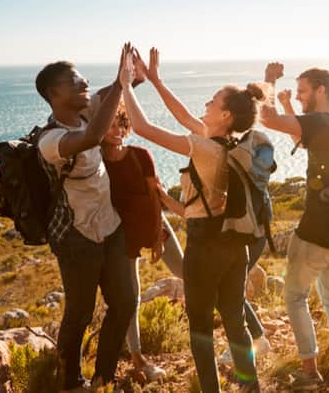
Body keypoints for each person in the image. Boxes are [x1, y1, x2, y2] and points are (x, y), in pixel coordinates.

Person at [119, 47, 265, 393]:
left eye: (213, 102)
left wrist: (126, 84)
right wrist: (155, 80)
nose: (206, 105)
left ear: (225, 114)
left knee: (200, 327)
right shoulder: (229, 146)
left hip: (205, 248)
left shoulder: (203, 148)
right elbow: (185, 117)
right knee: (235, 320)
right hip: (234, 245)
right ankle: (251, 387)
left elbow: (141, 127)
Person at [35, 43, 137, 392]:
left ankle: (103, 379)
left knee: (124, 303)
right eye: (75, 80)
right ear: (54, 93)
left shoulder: (85, 111)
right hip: (76, 236)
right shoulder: (51, 141)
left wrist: (131, 74)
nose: (84, 83)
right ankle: (70, 382)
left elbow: (119, 88)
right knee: (79, 313)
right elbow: (94, 136)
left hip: (110, 227)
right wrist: (121, 84)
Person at [259, 64, 329, 389]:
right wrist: (290, 106)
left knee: (295, 297)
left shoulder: (320, 121)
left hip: (316, 230)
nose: (300, 96)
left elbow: (267, 119)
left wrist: (270, 82)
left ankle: (309, 371)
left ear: (320, 90)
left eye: (302, 90)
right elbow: (302, 140)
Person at [99, 102, 184, 382]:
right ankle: (137, 358)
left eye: (121, 125)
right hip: (122, 232)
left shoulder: (140, 155)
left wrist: (158, 236)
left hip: (153, 222)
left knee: (186, 272)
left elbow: (154, 196)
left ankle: (231, 326)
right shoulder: (95, 160)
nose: (117, 131)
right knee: (131, 297)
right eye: (110, 125)